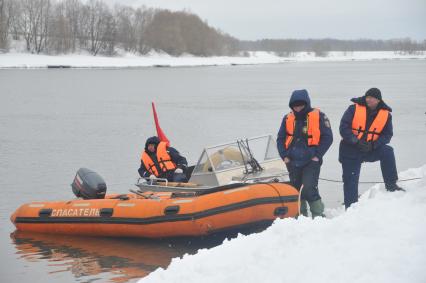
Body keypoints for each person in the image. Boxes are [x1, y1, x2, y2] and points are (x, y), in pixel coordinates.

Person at [339, 87, 404, 209]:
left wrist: (374, 145)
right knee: (350, 181)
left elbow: (387, 135)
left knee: (388, 151)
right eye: (367, 97)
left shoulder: (386, 115)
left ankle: (391, 185)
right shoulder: (353, 109)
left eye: (372, 98)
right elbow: (343, 128)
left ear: (378, 100)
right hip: (350, 149)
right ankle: (350, 208)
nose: (368, 100)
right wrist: (356, 141)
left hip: (369, 149)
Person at [277, 89, 333, 217]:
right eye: (295, 106)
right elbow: (280, 138)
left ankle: (318, 216)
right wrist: (284, 156)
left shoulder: (319, 116)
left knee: (308, 188)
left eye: (301, 105)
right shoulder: (287, 118)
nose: (298, 108)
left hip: (311, 161)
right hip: (292, 161)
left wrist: (317, 156)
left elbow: (328, 138)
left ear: (306, 103)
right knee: (296, 190)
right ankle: (301, 218)